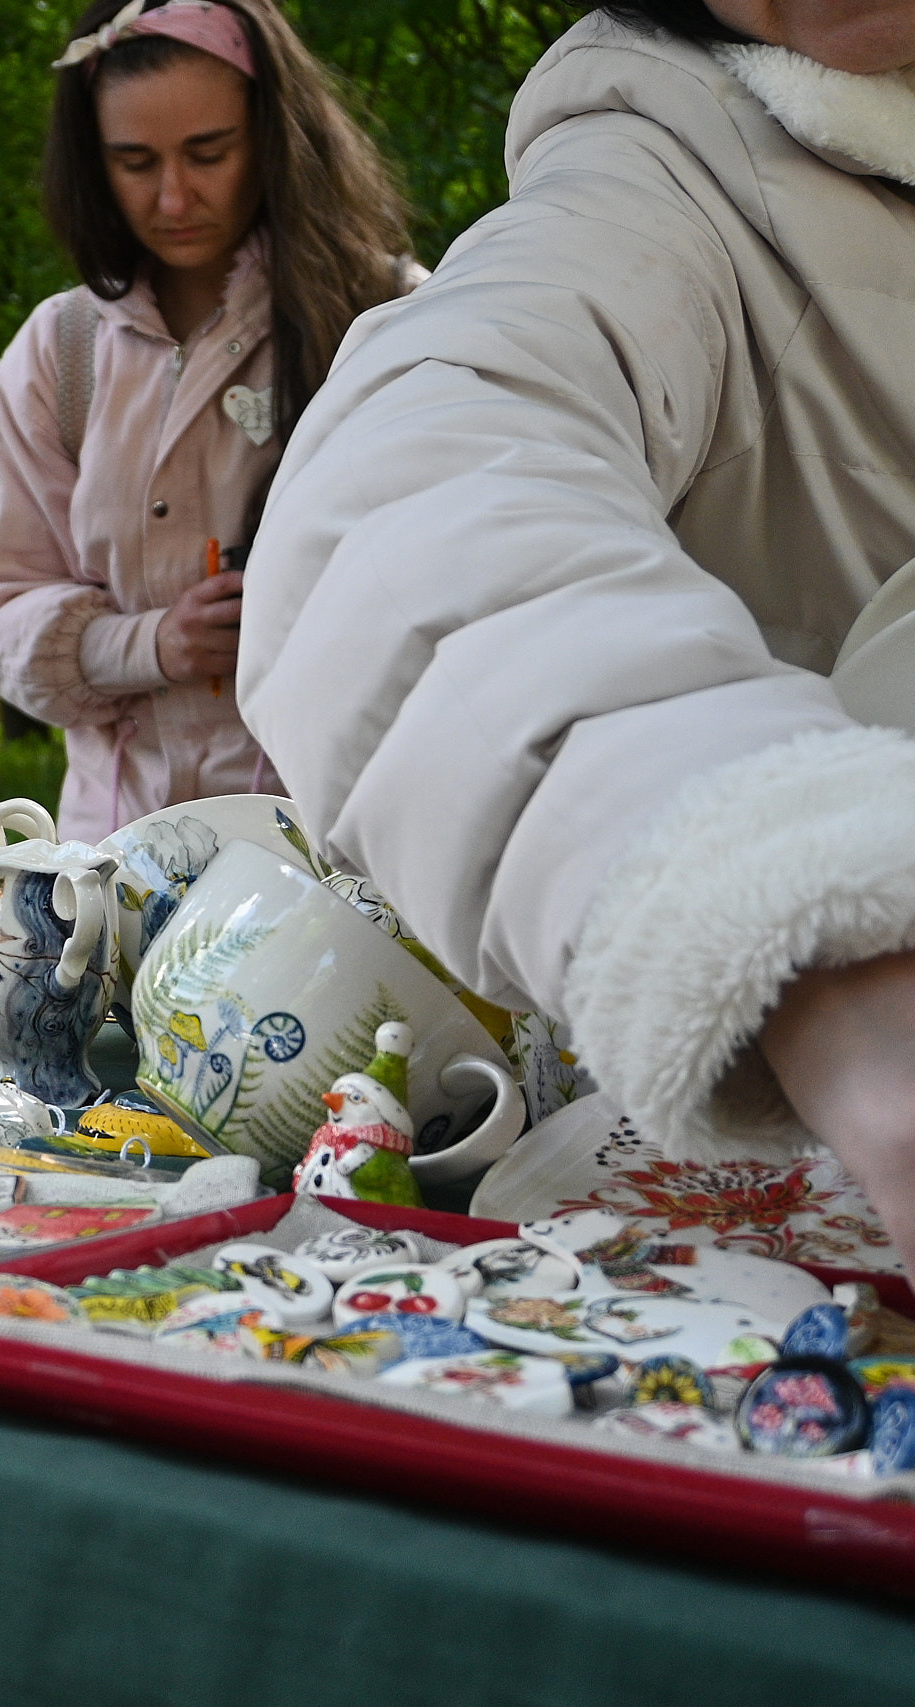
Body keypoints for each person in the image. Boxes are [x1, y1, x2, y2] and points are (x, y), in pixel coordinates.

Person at [242, 0, 915, 1251]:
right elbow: (406, 483)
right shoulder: (661, 176)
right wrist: (809, 915)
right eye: (139, 159)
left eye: (208, 151)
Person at [0, 0, 412, 843]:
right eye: (133, 161)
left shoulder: (389, 317)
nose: (172, 196)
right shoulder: (62, 352)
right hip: (117, 872)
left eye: (209, 153)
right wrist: (153, 645)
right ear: (91, 161)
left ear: (273, 136)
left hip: (343, 855)